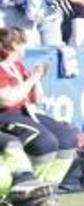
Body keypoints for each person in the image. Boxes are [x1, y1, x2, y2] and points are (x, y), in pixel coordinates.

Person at [0, 27, 78, 194]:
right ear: (13, 45)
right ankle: (27, 190)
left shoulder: (18, 66)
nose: (24, 47)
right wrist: (33, 78)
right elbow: (7, 99)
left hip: (25, 112)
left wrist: (37, 78)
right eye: (22, 43)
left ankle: (49, 187)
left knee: (67, 138)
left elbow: (36, 99)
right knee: (45, 142)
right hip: (5, 115)